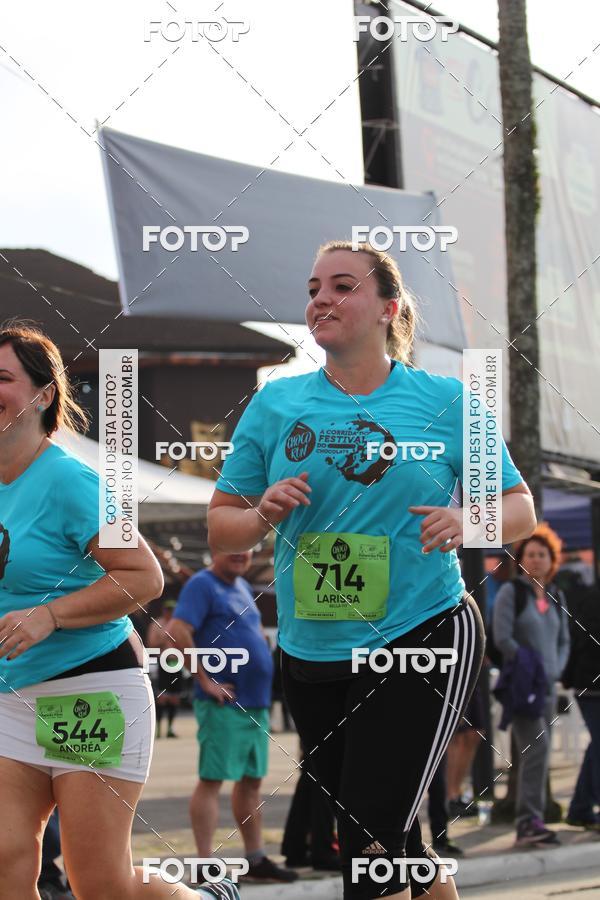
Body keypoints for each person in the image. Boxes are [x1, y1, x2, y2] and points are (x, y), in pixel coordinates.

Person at [206, 240, 537, 900]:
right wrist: (262, 512)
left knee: (370, 850)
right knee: (397, 839)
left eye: (341, 286)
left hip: (422, 634)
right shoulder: (275, 405)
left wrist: (468, 524)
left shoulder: (446, 401)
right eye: (313, 288)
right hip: (313, 651)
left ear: (388, 308)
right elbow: (222, 528)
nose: (321, 299)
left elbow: (519, 508)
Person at [0, 321, 240, 900]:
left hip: (89, 689)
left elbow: (145, 576)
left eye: (2, 377)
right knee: (4, 858)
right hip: (9, 696)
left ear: (42, 393)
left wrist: (50, 615)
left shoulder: (78, 483)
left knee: (100, 882)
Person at [168, 551, 297, 884]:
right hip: (224, 703)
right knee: (212, 779)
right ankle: (204, 863)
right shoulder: (202, 585)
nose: (242, 553)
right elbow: (178, 631)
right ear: (214, 547)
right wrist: (204, 680)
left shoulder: (241, 586)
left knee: (252, 781)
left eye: (247, 546)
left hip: (255, 702)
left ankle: (254, 857)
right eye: (232, 546)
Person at [493, 523, 571, 848]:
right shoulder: (513, 592)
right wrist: (529, 666)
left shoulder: (556, 595)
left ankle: (534, 817)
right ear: (520, 559)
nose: (536, 560)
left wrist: (554, 670)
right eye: (530, 554)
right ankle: (527, 821)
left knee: (542, 753)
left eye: (542, 554)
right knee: (534, 749)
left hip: (549, 688)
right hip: (524, 686)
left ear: (552, 560)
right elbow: (502, 636)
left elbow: (564, 640)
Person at [562, 581, 600, 830]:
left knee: (597, 745)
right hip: (591, 686)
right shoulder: (592, 599)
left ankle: (580, 808)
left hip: (586, 683)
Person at [146, 600, 182, 738]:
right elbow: (151, 644)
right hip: (163, 661)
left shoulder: (179, 624)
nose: (170, 612)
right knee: (162, 696)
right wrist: (164, 638)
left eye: (172, 610)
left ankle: (170, 728)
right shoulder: (156, 625)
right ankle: (159, 729)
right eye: (168, 610)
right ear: (164, 610)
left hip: (176, 662)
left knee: (175, 697)